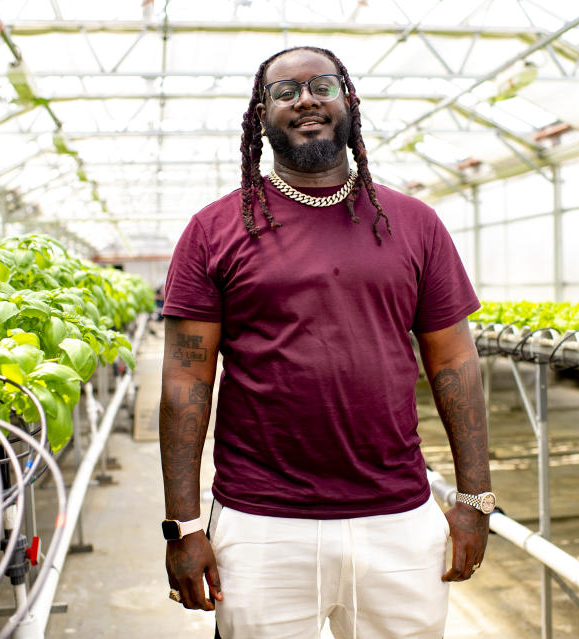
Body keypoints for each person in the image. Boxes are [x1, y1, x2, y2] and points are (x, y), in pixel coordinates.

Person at [158, 45, 492, 639]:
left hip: (398, 516)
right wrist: (184, 527)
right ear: (261, 115)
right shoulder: (215, 229)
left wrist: (475, 497)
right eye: (284, 92)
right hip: (262, 523)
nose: (305, 100)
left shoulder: (414, 223)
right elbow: (186, 381)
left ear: (348, 100)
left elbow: (455, 363)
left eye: (321, 86)